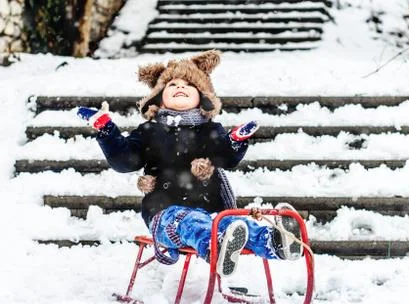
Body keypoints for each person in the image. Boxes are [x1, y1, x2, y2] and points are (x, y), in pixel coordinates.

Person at [77, 50, 301, 277]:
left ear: (202, 97)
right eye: (172, 84)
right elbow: (125, 161)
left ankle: (274, 242)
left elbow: (226, 157)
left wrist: (234, 141)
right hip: (164, 214)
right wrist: (107, 130)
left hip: (212, 210)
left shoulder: (209, 131)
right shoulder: (149, 131)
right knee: (192, 223)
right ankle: (216, 249)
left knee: (234, 223)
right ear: (159, 97)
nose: (180, 87)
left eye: (189, 84)